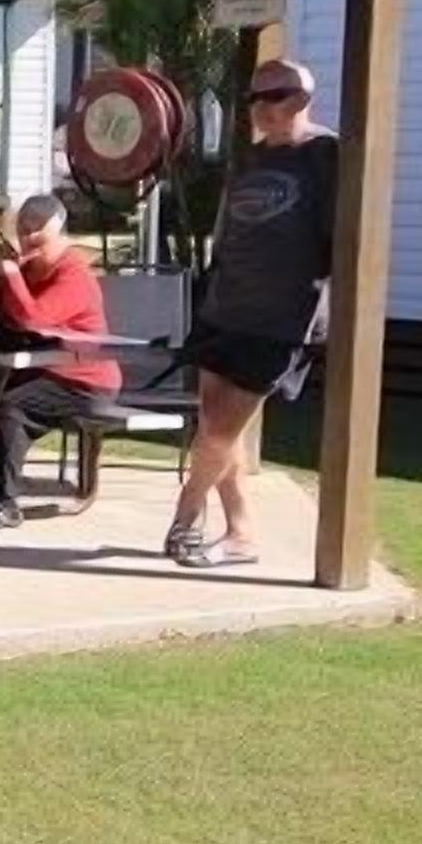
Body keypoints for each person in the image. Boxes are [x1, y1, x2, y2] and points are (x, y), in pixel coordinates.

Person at [169, 55, 340, 570]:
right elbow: (228, 228)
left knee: (218, 433)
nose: (263, 107)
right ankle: (241, 533)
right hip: (225, 308)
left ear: (303, 99)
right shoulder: (248, 158)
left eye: (276, 96)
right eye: (254, 98)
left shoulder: (328, 155)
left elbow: (346, 238)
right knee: (218, 430)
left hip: (280, 318)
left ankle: (183, 518)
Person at [0, 192, 117, 531]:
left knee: (12, 405)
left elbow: (35, 320)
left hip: (84, 380)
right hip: (41, 367)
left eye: (38, 230)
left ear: (59, 230)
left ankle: (5, 502)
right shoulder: (26, 269)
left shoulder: (73, 272)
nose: (29, 239)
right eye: (23, 230)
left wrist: (11, 276)